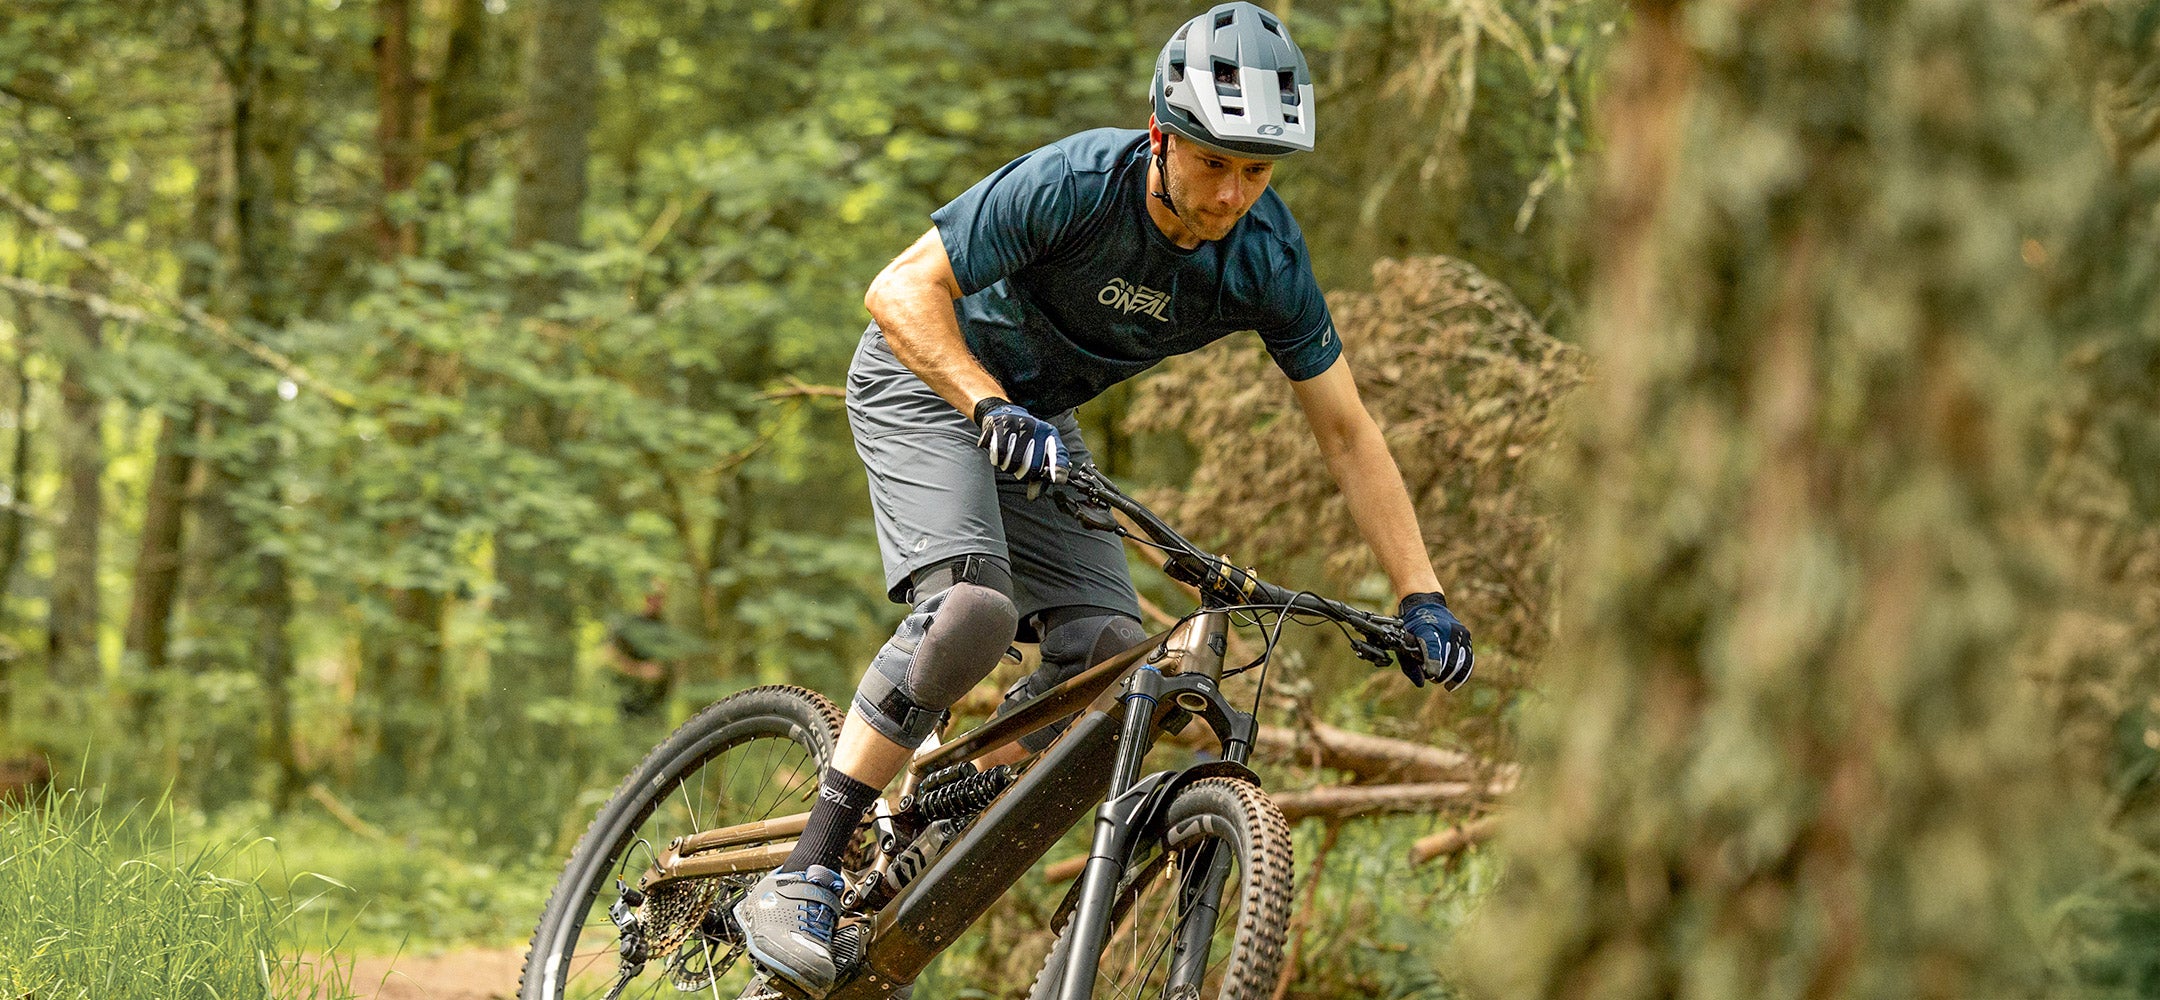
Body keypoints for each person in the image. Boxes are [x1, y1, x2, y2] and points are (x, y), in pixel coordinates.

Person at [733, 3, 1474, 994]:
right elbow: (898, 291)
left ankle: (933, 806)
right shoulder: (1079, 184)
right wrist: (986, 400)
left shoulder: (1264, 254)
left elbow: (1348, 430)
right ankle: (803, 871)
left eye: (1257, 172)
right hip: (927, 376)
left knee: (1103, 655)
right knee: (973, 609)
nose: (1233, 195)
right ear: (1162, 138)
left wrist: (1419, 591)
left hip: (1033, 421)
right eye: (1215, 163)